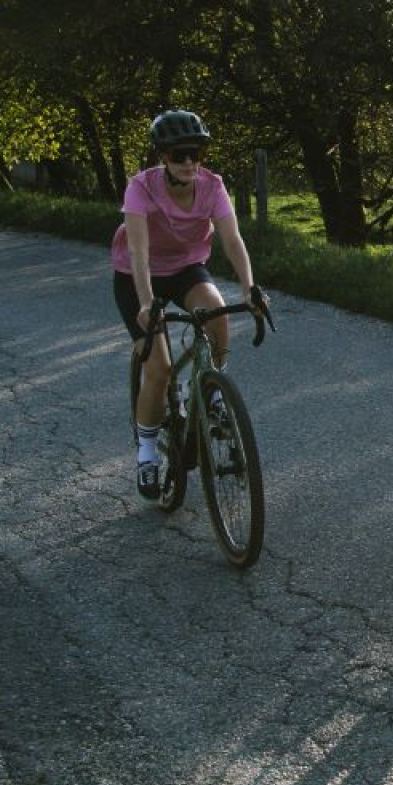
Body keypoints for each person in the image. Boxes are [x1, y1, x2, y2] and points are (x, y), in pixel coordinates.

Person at [111, 109, 267, 499]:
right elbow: (138, 251)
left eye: (195, 153)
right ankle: (147, 453)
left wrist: (249, 288)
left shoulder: (213, 186)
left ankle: (213, 388)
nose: (188, 162)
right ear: (162, 156)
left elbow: (232, 240)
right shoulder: (141, 188)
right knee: (160, 369)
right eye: (179, 154)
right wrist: (147, 305)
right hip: (137, 276)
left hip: (185, 267)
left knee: (216, 312)